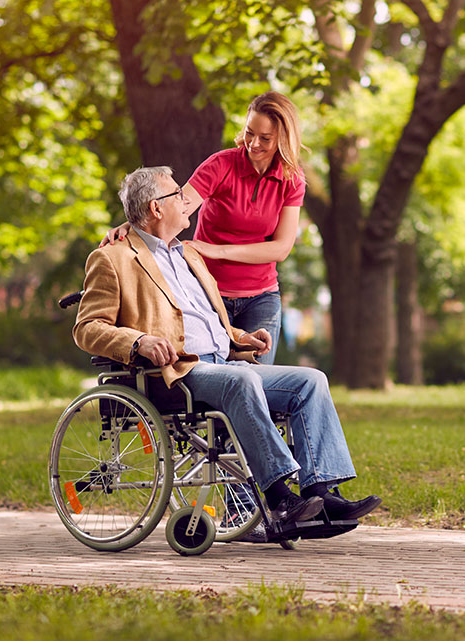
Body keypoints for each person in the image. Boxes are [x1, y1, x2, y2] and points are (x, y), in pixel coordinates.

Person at [75, 165, 381, 534]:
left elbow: (203, 320)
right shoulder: (113, 258)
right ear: (156, 208)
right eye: (177, 195)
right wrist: (139, 341)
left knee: (310, 381)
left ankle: (321, 492)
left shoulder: (188, 255)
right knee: (241, 382)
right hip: (175, 373)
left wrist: (241, 338)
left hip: (223, 364)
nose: (187, 202)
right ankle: (281, 497)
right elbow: (88, 328)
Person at [100, 91, 305, 365]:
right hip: (209, 293)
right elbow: (174, 206)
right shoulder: (221, 165)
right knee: (218, 386)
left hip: (261, 297)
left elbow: (280, 248)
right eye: (249, 133)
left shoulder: (292, 180)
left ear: (283, 138)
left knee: (260, 383)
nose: (253, 144)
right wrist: (132, 222)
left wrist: (216, 251)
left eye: (265, 138)